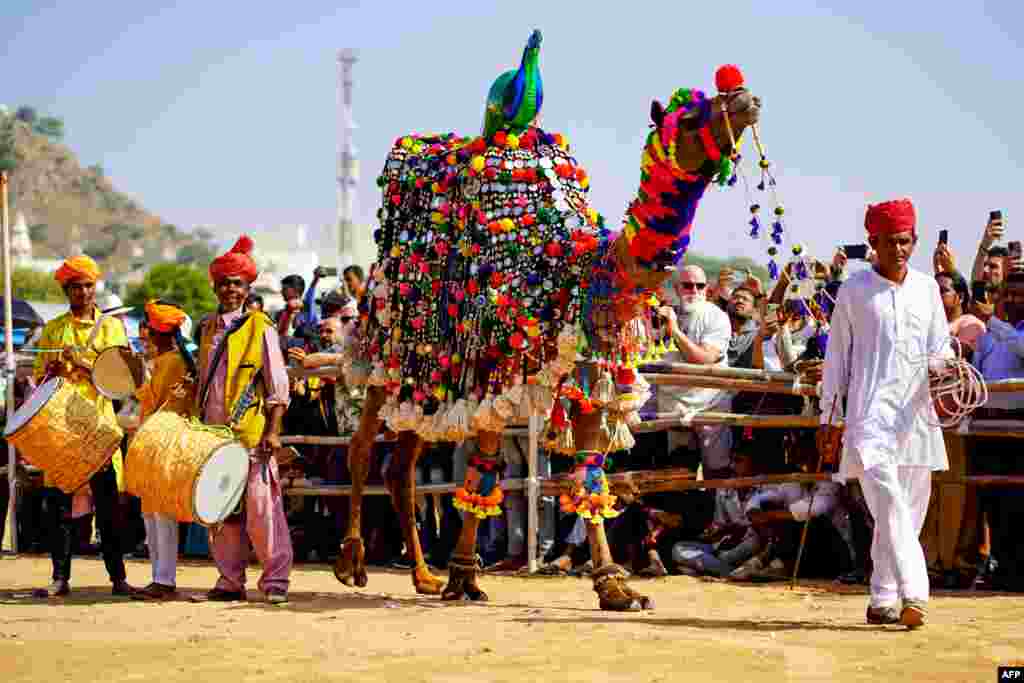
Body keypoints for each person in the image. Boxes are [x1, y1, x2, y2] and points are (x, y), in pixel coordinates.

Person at [819, 198, 949, 629]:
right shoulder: (854, 290)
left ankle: (882, 598)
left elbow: (940, 348)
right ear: (872, 242)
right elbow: (837, 358)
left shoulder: (928, 289)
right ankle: (916, 591)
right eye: (890, 242)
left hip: (917, 417)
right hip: (869, 417)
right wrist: (829, 418)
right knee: (890, 502)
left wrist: (945, 365)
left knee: (908, 509)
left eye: (906, 241)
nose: (899, 249)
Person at [195, 235, 293, 604]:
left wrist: (274, 430)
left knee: (262, 510)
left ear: (247, 287)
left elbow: (277, 383)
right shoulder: (206, 329)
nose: (229, 289)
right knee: (221, 511)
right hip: (214, 436)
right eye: (224, 283)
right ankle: (229, 580)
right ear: (215, 287)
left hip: (251, 434)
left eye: (236, 283)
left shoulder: (260, 327)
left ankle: (275, 582)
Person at [31, 255, 135, 598]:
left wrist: (84, 364)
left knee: (108, 506)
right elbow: (37, 377)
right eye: (76, 286)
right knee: (58, 506)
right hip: (62, 427)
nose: (83, 292)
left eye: (88, 285)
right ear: (67, 290)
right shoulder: (54, 328)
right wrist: (54, 371)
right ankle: (60, 578)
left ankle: (117, 577)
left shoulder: (111, 328)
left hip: (100, 428)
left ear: (95, 287)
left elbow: (122, 380)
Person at [131, 300, 196, 601]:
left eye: (149, 329)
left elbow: (155, 401)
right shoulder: (169, 359)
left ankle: (164, 579)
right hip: (155, 441)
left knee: (160, 513)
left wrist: (136, 377)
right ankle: (159, 577)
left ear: (160, 334)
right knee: (152, 513)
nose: (145, 335)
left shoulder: (172, 362)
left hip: (164, 442)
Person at [967, 271, 1024, 590]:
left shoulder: (1002, 330)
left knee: (1018, 499)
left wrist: (995, 323)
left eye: (1020, 295)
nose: (1014, 300)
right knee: (993, 499)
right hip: (987, 425)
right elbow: (977, 370)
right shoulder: (988, 334)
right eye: (1009, 294)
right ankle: (1001, 568)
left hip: (1017, 426)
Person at [656, 265, 734, 477]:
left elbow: (704, 360)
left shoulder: (716, 316)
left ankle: (718, 510)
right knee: (679, 472)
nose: (694, 291)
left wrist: (675, 331)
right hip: (674, 403)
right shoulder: (663, 313)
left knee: (716, 470)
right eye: (688, 286)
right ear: (677, 287)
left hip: (710, 403)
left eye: (700, 286)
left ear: (707, 289)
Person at [935, 271, 985, 357]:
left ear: (961, 297)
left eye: (942, 291)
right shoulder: (932, 322)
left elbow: (957, 356)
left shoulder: (970, 323)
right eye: (934, 291)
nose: (936, 295)